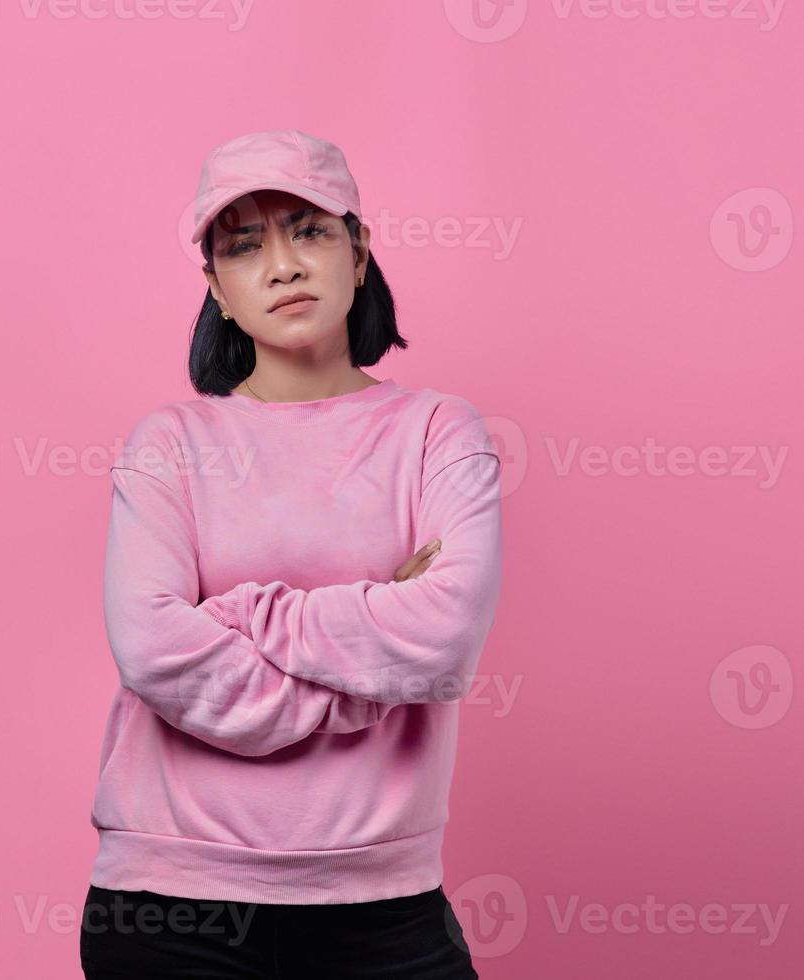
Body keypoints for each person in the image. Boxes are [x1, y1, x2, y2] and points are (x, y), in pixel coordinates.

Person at [80, 128, 503, 979]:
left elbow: (443, 638)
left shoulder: (436, 432)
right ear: (217, 290)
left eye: (308, 230)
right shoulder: (171, 443)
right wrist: (371, 650)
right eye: (244, 246)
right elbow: (155, 651)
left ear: (359, 250)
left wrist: (233, 616)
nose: (282, 264)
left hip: (383, 907)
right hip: (171, 906)